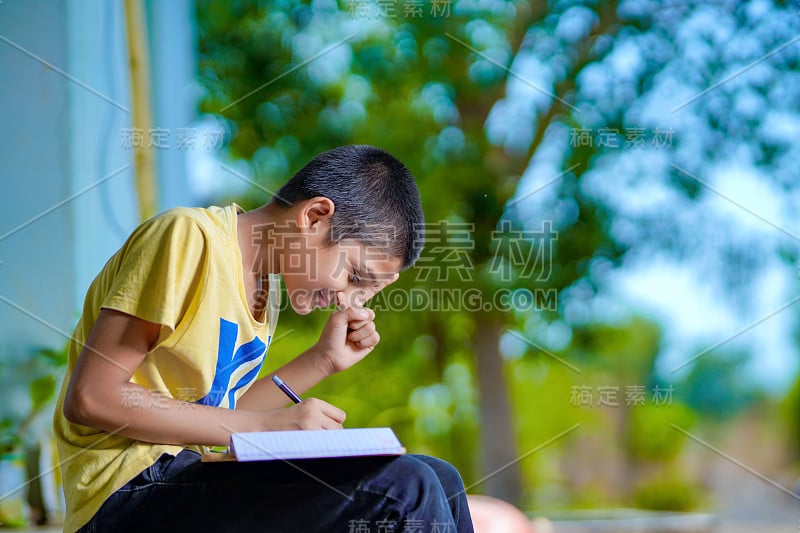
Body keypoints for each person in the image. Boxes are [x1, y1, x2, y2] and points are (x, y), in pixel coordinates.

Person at [53, 145, 474, 532]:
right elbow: (93, 396)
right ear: (313, 217)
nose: (347, 299)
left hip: (187, 479)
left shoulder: (266, 291)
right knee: (403, 487)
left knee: (442, 478)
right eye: (354, 276)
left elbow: (214, 419)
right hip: (123, 499)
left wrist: (321, 362)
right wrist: (265, 429)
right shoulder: (188, 237)